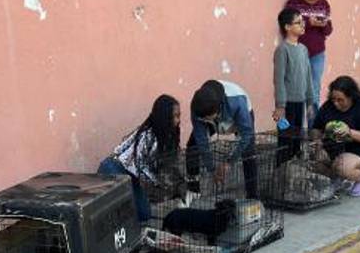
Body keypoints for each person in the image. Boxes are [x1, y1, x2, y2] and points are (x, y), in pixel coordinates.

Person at [97, 94, 181, 222]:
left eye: (179, 115)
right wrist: (161, 184)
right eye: (175, 116)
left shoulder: (164, 134)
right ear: (165, 117)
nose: (178, 120)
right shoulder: (147, 135)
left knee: (144, 214)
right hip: (114, 170)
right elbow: (142, 168)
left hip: (131, 175)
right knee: (120, 213)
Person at [186, 80, 259, 199]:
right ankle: (193, 190)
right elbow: (202, 141)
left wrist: (229, 162)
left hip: (236, 115)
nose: (205, 121)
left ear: (218, 109)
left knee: (249, 152)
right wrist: (211, 169)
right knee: (192, 145)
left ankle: (253, 196)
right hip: (212, 114)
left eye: (208, 118)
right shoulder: (197, 107)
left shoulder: (237, 101)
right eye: (203, 120)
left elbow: (246, 134)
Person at [311, 75, 360, 197]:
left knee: (342, 166)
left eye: (340, 100)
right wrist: (317, 140)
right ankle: (337, 179)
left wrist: (349, 132)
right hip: (335, 147)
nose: (336, 103)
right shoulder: (328, 106)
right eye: (333, 99)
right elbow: (316, 128)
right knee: (315, 161)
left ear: (351, 97)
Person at [272, 8, 317, 166]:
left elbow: (308, 76)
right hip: (287, 104)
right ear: (287, 27)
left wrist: (310, 101)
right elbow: (279, 79)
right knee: (285, 141)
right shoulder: (282, 50)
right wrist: (280, 105)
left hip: (301, 102)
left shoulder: (303, 50)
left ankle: (294, 172)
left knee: (297, 140)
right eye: (298, 23)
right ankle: (281, 173)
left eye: (302, 22)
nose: (302, 25)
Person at [284, 0, 332, 111]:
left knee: (314, 89)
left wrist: (324, 25)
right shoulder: (294, 3)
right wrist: (309, 23)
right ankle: (294, 127)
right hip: (296, 51)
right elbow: (287, 27)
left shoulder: (324, 4)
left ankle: (313, 127)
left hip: (317, 53)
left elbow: (328, 30)